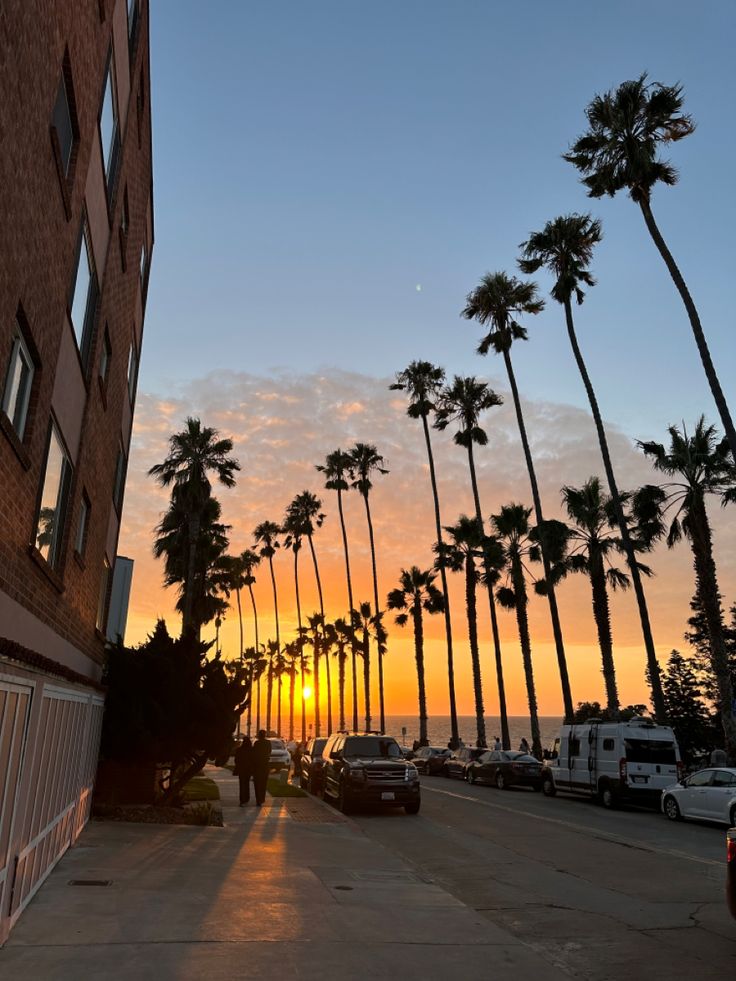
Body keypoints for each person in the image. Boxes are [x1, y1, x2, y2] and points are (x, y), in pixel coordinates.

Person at [252, 729, 272, 805]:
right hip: (265, 765)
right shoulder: (268, 743)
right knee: (263, 783)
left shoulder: (256, 743)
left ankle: (258, 799)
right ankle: (262, 798)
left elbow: (254, 754)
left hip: (257, 766)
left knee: (257, 783)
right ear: (265, 735)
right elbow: (269, 752)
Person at [233, 737, 253, 806]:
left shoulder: (239, 750)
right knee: (247, 784)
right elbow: (253, 760)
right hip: (248, 769)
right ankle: (247, 798)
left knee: (242, 784)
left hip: (241, 769)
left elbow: (236, 760)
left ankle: (242, 800)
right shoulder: (251, 750)